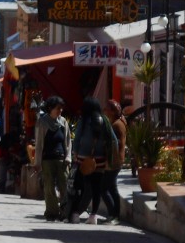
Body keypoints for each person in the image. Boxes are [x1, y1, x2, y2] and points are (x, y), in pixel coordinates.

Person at [69, 97, 118, 225]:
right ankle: (93, 216)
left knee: (79, 187)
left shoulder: (84, 121)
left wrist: (75, 153)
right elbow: (114, 141)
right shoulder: (105, 121)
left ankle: (75, 214)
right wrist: (110, 157)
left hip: (83, 160)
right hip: (100, 161)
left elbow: (78, 138)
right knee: (96, 189)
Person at [33, 95, 69, 221]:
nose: (60, 111)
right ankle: (52, 212)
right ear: (50, 108)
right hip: (47, 160)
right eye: (58, 108)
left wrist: (68, 158)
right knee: (49, 187)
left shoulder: (63, 122)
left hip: (61, 160)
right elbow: (38, 145)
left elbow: (68, 142)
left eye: (61, 108)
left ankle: (65, 211)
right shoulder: (42, 122)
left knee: (64, 186)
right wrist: (37, 163)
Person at [101, 100, 127, 223]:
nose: (104, 111)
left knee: (103, 188)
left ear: (111, 111)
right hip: (117, 160)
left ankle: (113, 214)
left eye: (106, 109)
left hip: (113, 161)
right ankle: (115, 215)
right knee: (112, 188)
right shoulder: (119, 122)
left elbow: (114, 144)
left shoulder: (116, 125)